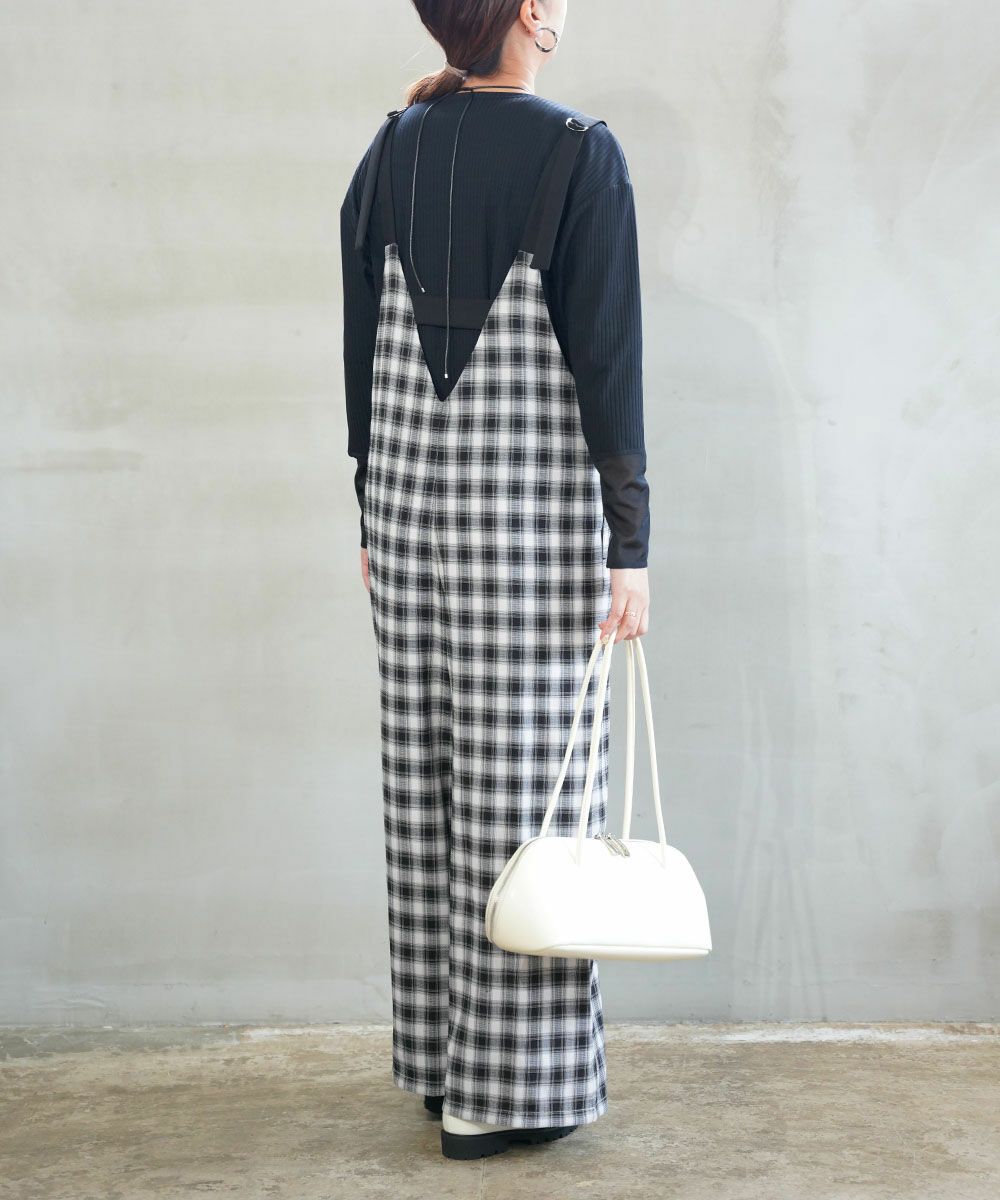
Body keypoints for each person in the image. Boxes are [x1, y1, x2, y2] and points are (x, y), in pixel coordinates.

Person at [340, 0, 650, 1161]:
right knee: (530, 804)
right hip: (527, 523)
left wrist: (367, 497)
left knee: (426, 787)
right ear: (529, 12)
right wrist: (630, 542)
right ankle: (501, 1092)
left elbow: (360, 333)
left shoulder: (391, 145)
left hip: (407, 510)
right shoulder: (578, 153)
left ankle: (439, 1063)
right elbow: (607, 360)